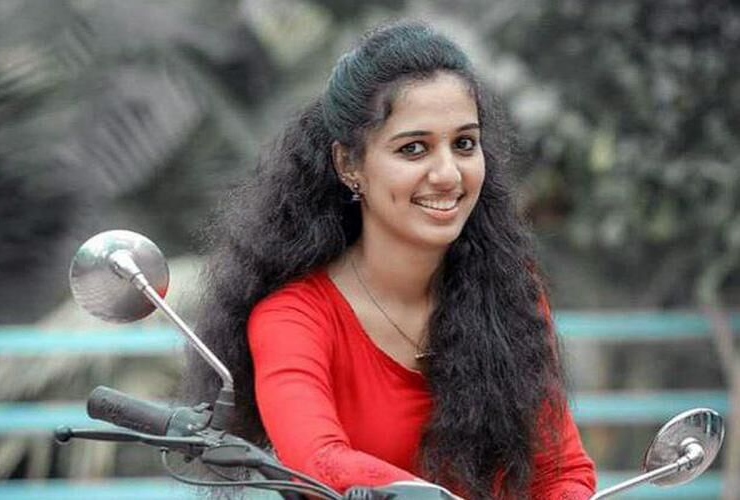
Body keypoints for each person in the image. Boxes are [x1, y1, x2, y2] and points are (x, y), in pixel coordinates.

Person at [189, 21, 596, 499]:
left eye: (464, 144)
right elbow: (317, 462)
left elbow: (561, 472)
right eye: (413, 148)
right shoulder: (293, 317)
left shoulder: (509, 290)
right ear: (349, 165)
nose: (448, 174)